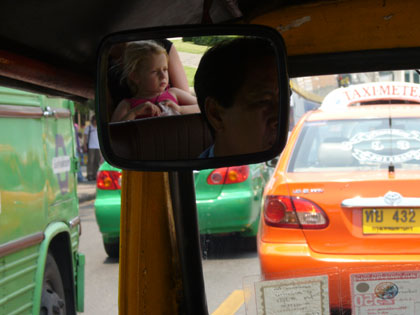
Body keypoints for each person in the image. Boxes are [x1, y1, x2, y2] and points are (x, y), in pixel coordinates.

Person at [194, 37, 280, 158]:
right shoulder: (200, 176)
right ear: (216, 115)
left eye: (285, 98)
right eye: (264, 101)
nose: (282, 117)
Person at [111, 41, 199, 122]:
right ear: (135, 77)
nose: (163, 76)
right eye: (154, 72)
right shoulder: (127, 105)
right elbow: (113, 132)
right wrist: (134, 113)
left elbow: (201, 106)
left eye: (165, 69)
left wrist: (180, 109)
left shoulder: (174, 93)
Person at [83, 115, 101, 181]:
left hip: (98, 147)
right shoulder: (89, 128)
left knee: (97, 161)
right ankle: (89, 174)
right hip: (91, 146)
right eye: (94, 121)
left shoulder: (99, 128)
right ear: (92, 121)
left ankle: (95, 174)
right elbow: (85, 137)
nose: (95, 122)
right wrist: (84, 145)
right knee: (90, 161)